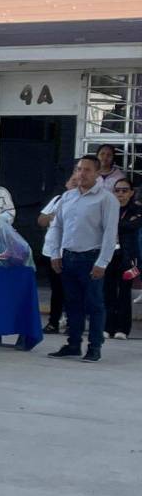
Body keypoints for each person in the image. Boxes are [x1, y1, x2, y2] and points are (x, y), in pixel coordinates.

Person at [45, 155, 119, 363]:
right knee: (72, 304)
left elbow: (110, 233)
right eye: (79, 169)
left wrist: (102, 262)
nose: (81, 174)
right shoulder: (67, 197)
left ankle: (94, 347)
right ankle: (73, 344)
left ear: (97, 173)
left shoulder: (106, 199)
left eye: (87, 170)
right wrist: (55, 253)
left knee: (94, 304)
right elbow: (56, 227)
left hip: (91, 258)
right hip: (68, 257)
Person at [38, 168, 79, 334]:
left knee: (73, 289)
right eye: (73, 181)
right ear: (67, 183)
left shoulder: (85, 202)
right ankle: (53, 322)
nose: (75, 184)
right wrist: (53, 217)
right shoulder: (57, 200)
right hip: (52, 251)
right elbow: (41, 220)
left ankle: (72, 322)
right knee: (56, 289)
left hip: (73, 251)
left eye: (78, 182)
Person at [104, 178, 141, 339]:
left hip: (128, 257)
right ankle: (107, 327)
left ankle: (122, 329)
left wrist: (115, 225)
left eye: (124, 190)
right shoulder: (108, 208)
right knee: (108, 291)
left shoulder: (137, 209)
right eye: (117, 190)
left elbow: (133, 225)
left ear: (131, 193)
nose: (120, 194)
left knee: (125, 292)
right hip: (109, 254)